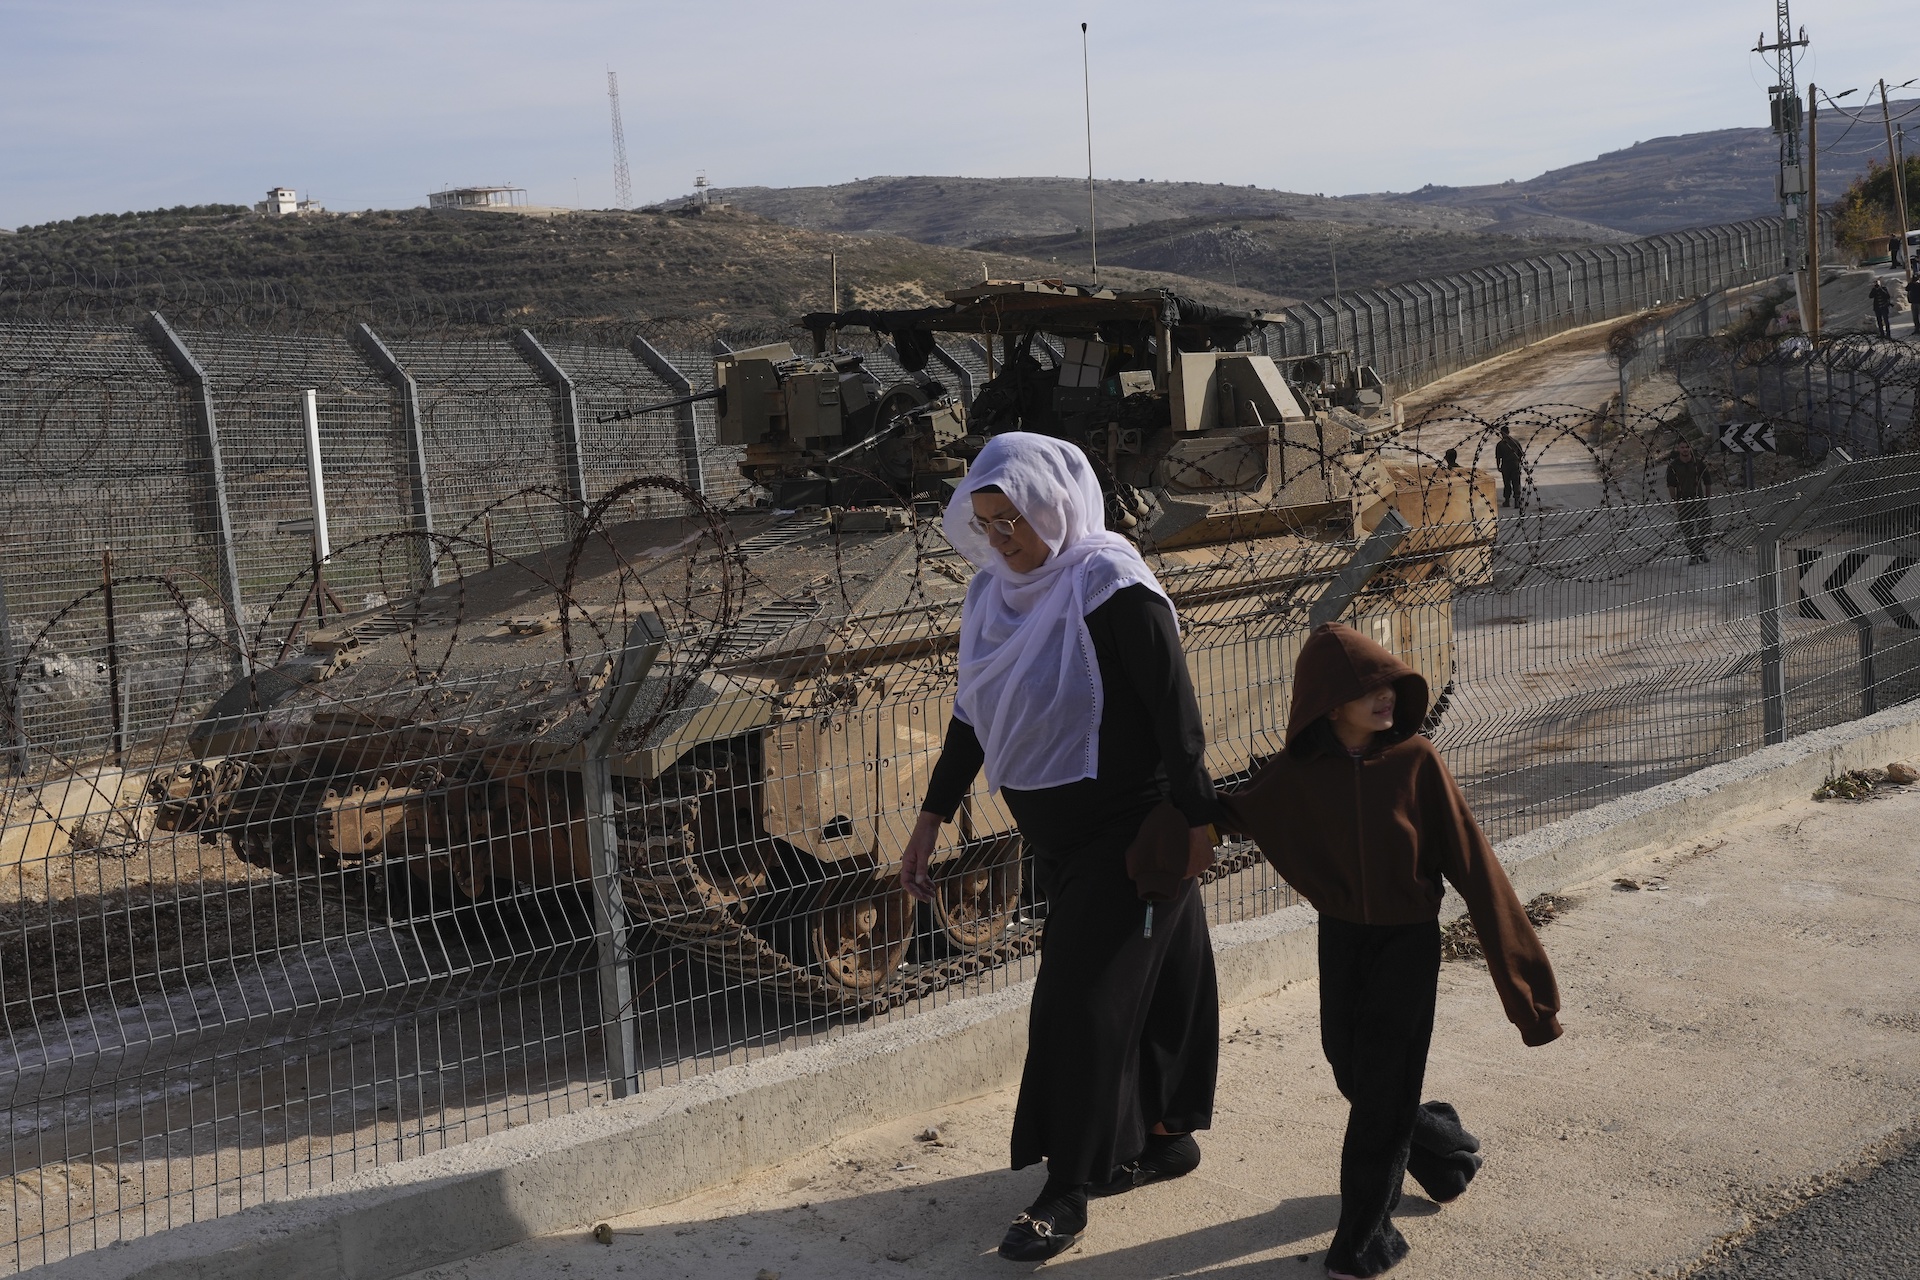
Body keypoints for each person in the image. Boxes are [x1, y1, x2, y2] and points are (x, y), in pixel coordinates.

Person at [901, 432, 1221, 1263]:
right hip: (1056, 839)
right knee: (1160, 985)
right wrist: (930, 820)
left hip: (1130, 834)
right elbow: (972, 715)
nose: (1003, 537)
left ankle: (1066, 1191)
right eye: (987, 522)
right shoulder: (991, 597)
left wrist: (1197, 821)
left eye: (1014, 519)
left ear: (1055, 504)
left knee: (1081, 1005)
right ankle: (1163, 1135)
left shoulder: (1109, 586)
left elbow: (1173, 711)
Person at [1216, 623, 1561, 1279]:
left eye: (1390, 686)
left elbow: (1478, 870)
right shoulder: (1300, 772)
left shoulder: (1416, 762)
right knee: (1353, 1071)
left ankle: (1364, 1240)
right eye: (1369, 688)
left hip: (1408, 943)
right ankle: (1446, 1148)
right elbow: (1239, 813)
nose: (1387, 698)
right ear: (1329, 701)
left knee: (1379, 1094)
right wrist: (1174, 808)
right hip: (1341, 938)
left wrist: (1528, 996)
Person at [1666, 440, 1713, 564]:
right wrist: (1674, 501)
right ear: (1678, 449)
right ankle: (1697, 552)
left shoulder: (1698, 463)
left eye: (1687, 447)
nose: (1685, 449)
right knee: (1687, 529)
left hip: (1698, 499)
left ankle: (1696, 551)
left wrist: (1707, 497)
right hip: (1683, 501)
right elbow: (1671, 485)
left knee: (1706, 525)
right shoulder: (1674, 465)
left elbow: (1707, 480)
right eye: (1682, 447)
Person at [1493, 426, 1523, 509]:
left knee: (1507, 483)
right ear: (1509, 432)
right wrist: (1518, 462)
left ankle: (1507, 500)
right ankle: (1517, 501)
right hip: (1515, 464)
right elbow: (1521, 454)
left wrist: (1498, 466)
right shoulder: (1515, 442)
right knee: (1516, 483)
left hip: (1506, 465)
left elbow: (1498, 457)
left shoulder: (1500, 444)